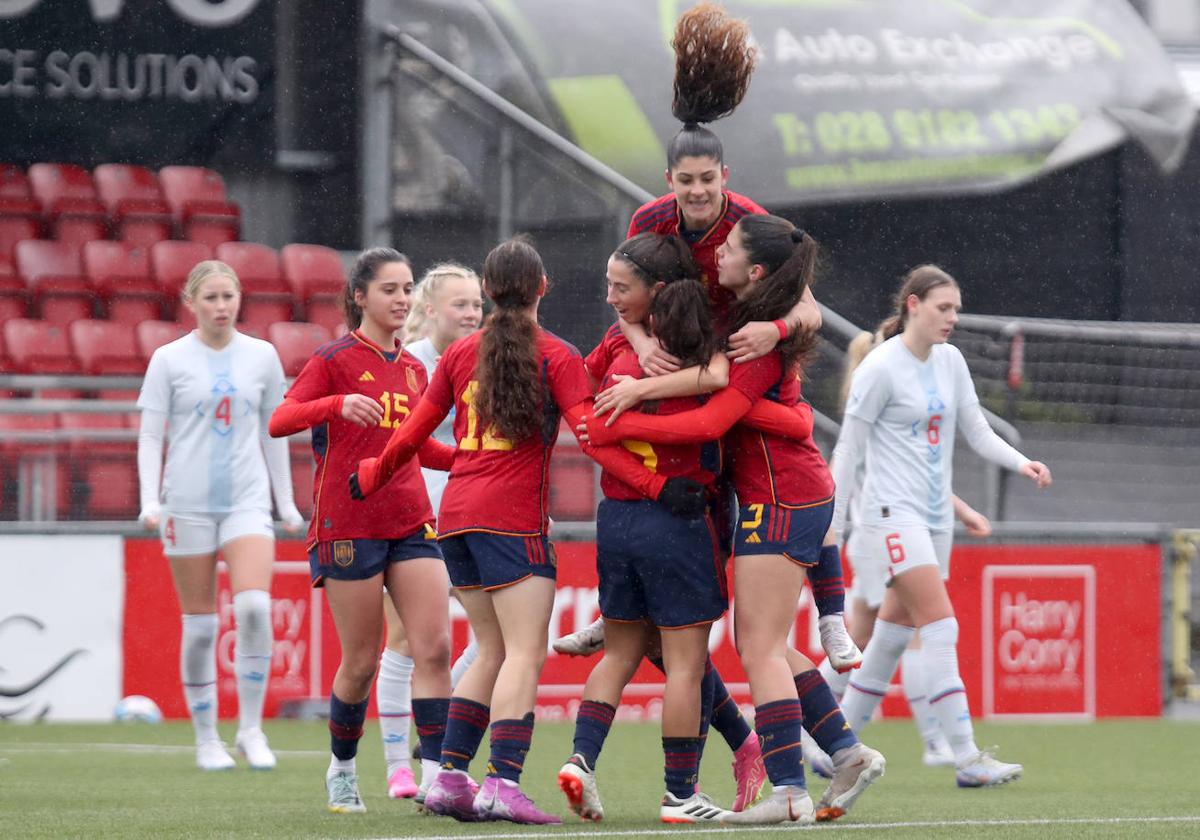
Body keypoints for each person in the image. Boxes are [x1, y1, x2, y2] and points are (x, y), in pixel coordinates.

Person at [351, 237, 703, 825]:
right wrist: (658, 487)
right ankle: (503, 783)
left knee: (488, 650)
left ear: (487, 292)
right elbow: (595, 439)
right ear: (543, 288)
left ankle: (449, 779)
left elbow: (412, 430)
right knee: (522, 653)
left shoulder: (463, 352)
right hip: (511, 522)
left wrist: (373, 471)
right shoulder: (556, 355)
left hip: (456, 521)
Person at [557, 1, 860, 676]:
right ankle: (621, 614)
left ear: (726, 179)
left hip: (750, 368)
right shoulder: (651, 219)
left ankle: (833, 617)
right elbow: (625, 289)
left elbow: (808, 311)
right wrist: (637, 343)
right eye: (686, 181)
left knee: (794, 471)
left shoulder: (753, 225)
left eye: (707, 180)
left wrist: (771, 327)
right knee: (681, 494)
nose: (697, 191)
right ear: (670, 183)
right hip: (685, 371)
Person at [582, 215, 886, 824]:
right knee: (764, 643)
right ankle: (846, 753)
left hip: (780, 496)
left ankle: (789, 793)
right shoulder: (750, 327)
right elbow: (771, 410)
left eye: (730, 247)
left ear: (753, 272)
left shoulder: (751, 339)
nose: (716, 251)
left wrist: (625, 414)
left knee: (761, 648)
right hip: (777, 492)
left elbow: (709, 423)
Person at [557, 233, 817, 824]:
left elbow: (583, 397)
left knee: (619, 655)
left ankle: (580, 759)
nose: (611, 299)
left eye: (620, 289)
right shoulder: (706, 357)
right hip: (678, 519)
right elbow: (723, 389)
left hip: (616, 518)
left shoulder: (619, 359)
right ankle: (679, 793)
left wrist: (624, 365)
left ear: (652, 294)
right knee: (686, 665)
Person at [828, 265, 1052, 788]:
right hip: (890, 515)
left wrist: (1022, 462)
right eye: (942, 307)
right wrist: (832, 524)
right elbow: (848, 449)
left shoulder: (950, 362)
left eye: (956, 308)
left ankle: (835, 750)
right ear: (912, 305)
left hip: (933, 520)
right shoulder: (881, 368)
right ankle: (968, 757)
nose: (952, 318)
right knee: (940, 625)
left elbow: (975, 428)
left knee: (890, 636)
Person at [267, 248, 456, 814]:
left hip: (410, 518)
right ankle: (343, 768)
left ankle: (438, 777)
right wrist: (336, 404)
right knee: (361, 661)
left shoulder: (418, 368)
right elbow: (280, 420)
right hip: (346, 522)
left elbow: (422, 448)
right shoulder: (334, 359)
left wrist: (478, 458)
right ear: (360, 297)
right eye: (389, 290)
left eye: (406, 290)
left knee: (436, 647)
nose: (401, 300)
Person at [137, 260, 303, 772]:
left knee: (254, 608)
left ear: (239, 299)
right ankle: (207, 738)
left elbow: (275, 429)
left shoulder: (261, 356)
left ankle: (250, 729)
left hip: (246, 503)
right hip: (185, 504)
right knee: (203, 626)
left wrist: (285, 502)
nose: (221, 306)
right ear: (192, 302)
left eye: (228, 296)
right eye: (210, 297)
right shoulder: (169, 359)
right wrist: (150, 498)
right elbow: (150, 434)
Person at [809, 330, 992, 775]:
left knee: (870, 638)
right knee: (902, 634)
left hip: (873, 535)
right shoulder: (886, 407)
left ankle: (820, 729)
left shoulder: (872, 404)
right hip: (883, 534)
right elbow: (908, 479)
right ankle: (936, 743)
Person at [374, 263, 485, 801]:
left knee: (494, 638)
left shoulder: (487, 361)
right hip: (415, 519)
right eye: (460, 304)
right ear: (431, 309)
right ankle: (403, 766)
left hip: (472, 514)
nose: (470, 314)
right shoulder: (410, 363)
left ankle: (434, 734)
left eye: (477, 305)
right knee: (408, 641)